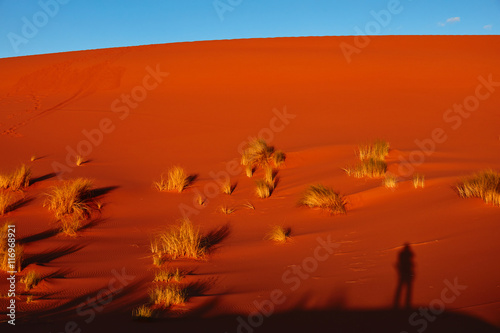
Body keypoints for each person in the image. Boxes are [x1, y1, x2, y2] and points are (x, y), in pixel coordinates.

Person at [393, 242, 414, 309]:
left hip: (405, 272)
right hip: (405, 272)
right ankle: (399, 303)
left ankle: (402, 303)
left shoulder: (404, 254)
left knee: (404, 288)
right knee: (404, 288)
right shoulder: (405, 254)